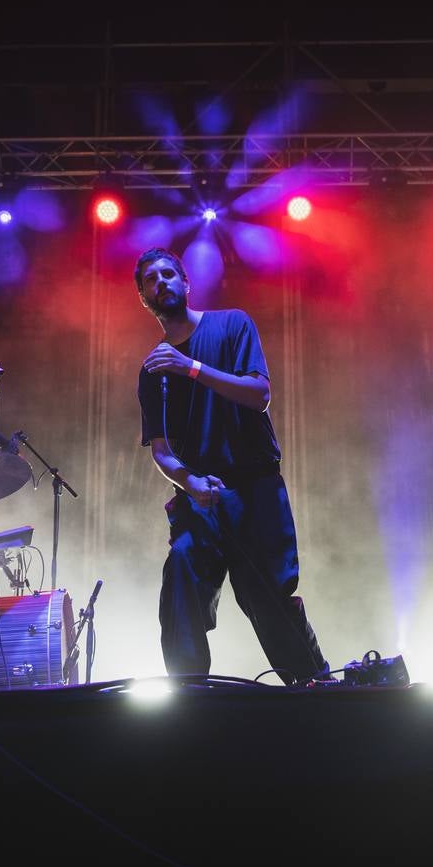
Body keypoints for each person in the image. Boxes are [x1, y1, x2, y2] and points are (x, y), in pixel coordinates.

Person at [134, 248, 327, 684]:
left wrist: (193, 368)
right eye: (151, 278)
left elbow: (259, 394)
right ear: (143, 296)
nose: (161, 282)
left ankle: (314, 686)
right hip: (201, 497)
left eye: (169, 274)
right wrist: (189, 483)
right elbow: (161, 451)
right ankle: (189, 697)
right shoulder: (153, 370)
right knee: (181, 580)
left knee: (269, 597)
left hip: (255, 489)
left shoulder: (232, 324)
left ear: (186, 284)